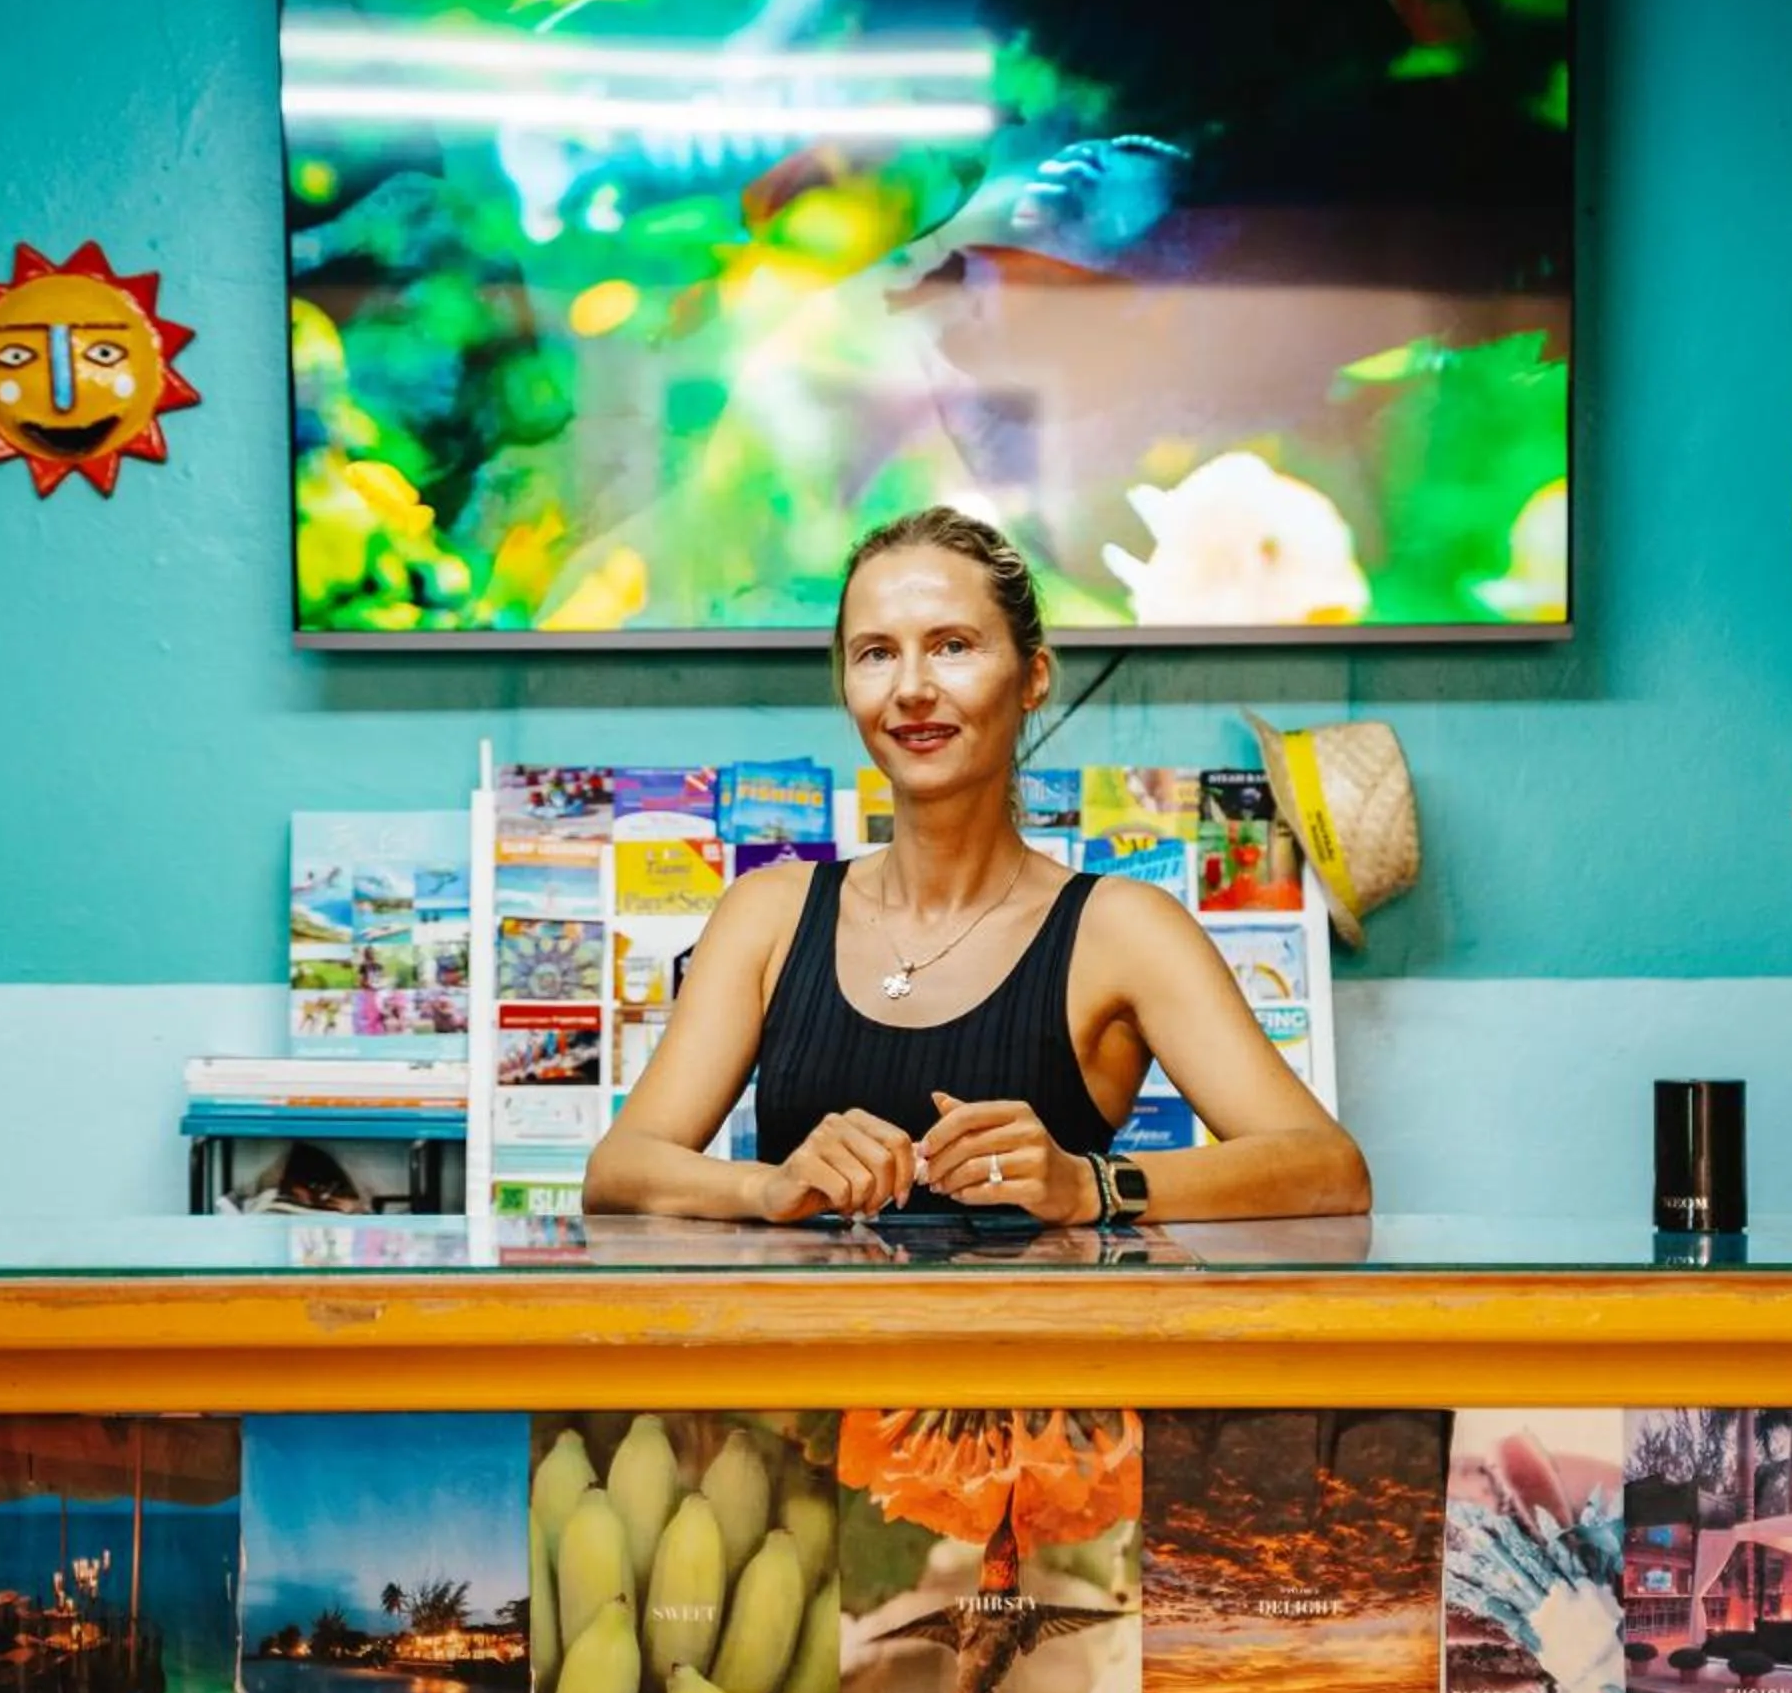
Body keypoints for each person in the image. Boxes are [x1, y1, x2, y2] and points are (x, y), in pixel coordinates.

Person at [583, 508, 1370, 1226]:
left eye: (953, 647)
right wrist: (766, 1188)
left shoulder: (1124, 929)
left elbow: (1328, 1168)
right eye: (876, 654)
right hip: (807, 1336)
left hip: (1037, 1339)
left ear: (1033, 678)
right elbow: (618, 1169)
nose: (912, 689)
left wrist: (1089, 1185)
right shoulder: (768, 913)